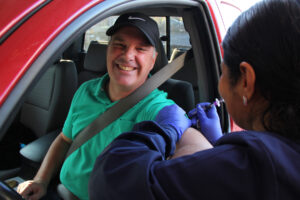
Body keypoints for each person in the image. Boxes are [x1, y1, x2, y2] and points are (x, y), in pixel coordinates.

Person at [89, 0, 300, 199]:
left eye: (222, 71)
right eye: (119, 45)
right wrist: (218, 144)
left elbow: (111, 181)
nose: (127, 56)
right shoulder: (278, 162)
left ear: (245, 80)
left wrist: (166, 131)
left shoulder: (254, 168)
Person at [17, 12, 177, 200]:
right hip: (62, 191)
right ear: (108, 49)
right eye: (119, 45)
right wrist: (40, 180)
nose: (128, 56)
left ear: (153, 60)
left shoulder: (156, 108)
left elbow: (180, 136)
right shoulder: (86, 90)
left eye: (141, 49)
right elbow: (64, 139)